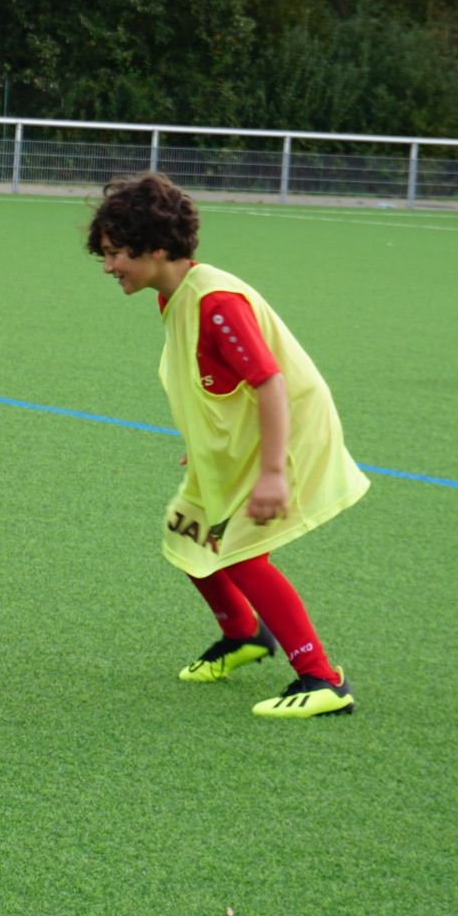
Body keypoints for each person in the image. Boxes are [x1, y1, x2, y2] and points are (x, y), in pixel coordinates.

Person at [87, 172, 367, 718]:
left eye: (117, 253)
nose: (108, 266)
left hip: (286, 440)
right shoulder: (173, 296)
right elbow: (214, 381)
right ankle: (243, 633)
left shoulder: (215, 303)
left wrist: (273, 473)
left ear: (156, 247)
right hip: (242, 442)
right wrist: (204, 442)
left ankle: (323, 679)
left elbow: (270, 383)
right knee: (187, 532)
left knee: (240, 553)